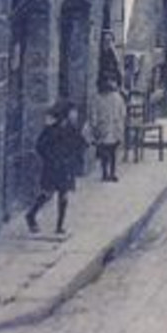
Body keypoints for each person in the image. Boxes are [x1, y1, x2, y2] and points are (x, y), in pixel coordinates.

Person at [25, 101, 86, 236]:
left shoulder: (72, 130)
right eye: (73, 112)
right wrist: (50, 158)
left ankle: (59, 226)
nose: (75, 115)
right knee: (47, 193)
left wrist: (77, 154)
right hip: (52, 167)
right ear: (66, 114)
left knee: (63, 196)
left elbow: (80, 144)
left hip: (66, 167)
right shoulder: (51, 129)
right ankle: (31, 215)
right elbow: (40, 146)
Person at [90, 75, 127, 182]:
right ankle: (105, 172)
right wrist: (95, 125)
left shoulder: (117, 97)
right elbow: (93, 113)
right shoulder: (97, 98)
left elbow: (122, 112)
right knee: (104, 152)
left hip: (114, 128)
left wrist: (120, 124)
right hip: (103, 127)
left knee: (113, 152)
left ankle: (112, 172)